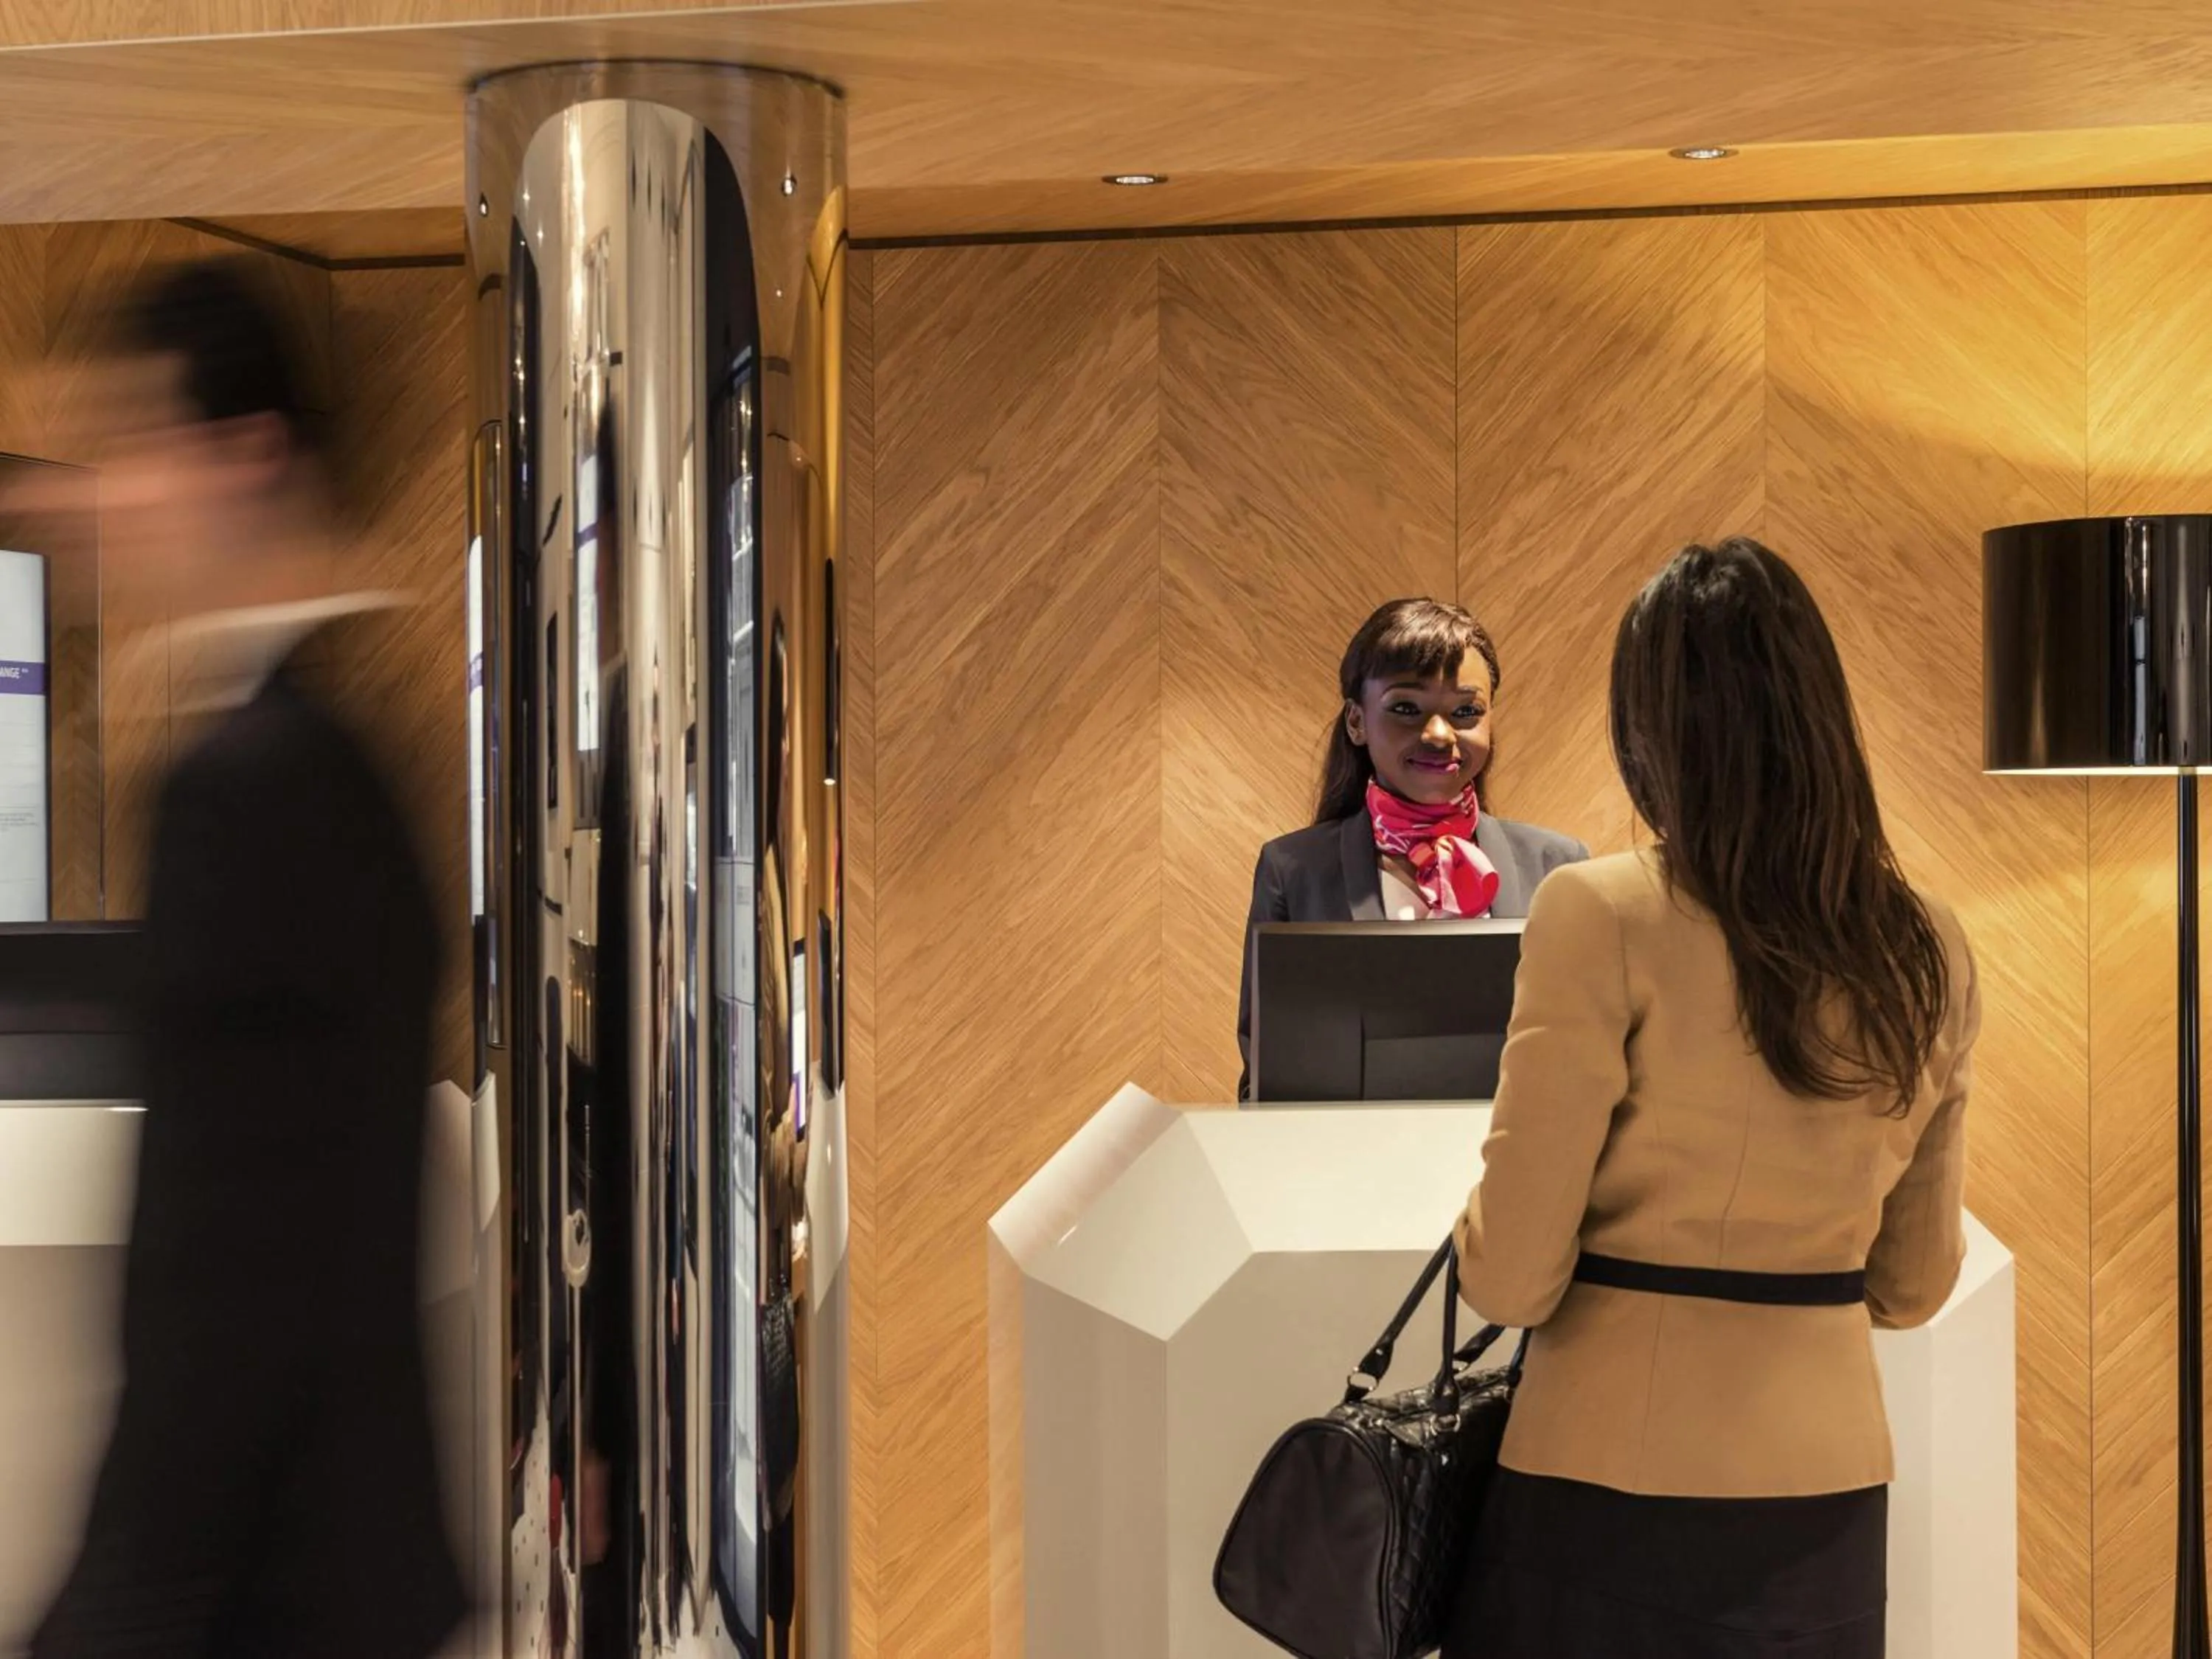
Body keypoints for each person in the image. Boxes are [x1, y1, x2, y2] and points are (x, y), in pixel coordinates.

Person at [29, 260, 465, 1659]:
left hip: (256, 1589)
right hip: (340, 1566)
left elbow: (225, 1280)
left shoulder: (251, 784)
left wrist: (115, 1610)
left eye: (135, 451)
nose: (104, 500)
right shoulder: (342, 764)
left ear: (247, 454)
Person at [1444, 538, 1980, 1659]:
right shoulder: (1931, 945)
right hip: (1826, 1488)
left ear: (1651, 728)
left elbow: (1512, 1270)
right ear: (1823, 717)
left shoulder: (1601, 912)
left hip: (1605, 1481)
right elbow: (1916, 1283)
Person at [1235, 597, 1587, 1097]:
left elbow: (1589, 1060)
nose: (1440, 735)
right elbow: (1267, 1076)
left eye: (1466, 711)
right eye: (1406, 709)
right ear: (1356, 722)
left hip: (1515, 1164)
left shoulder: (1559, 866)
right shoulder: (1293, 870)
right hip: (1353, 1167)